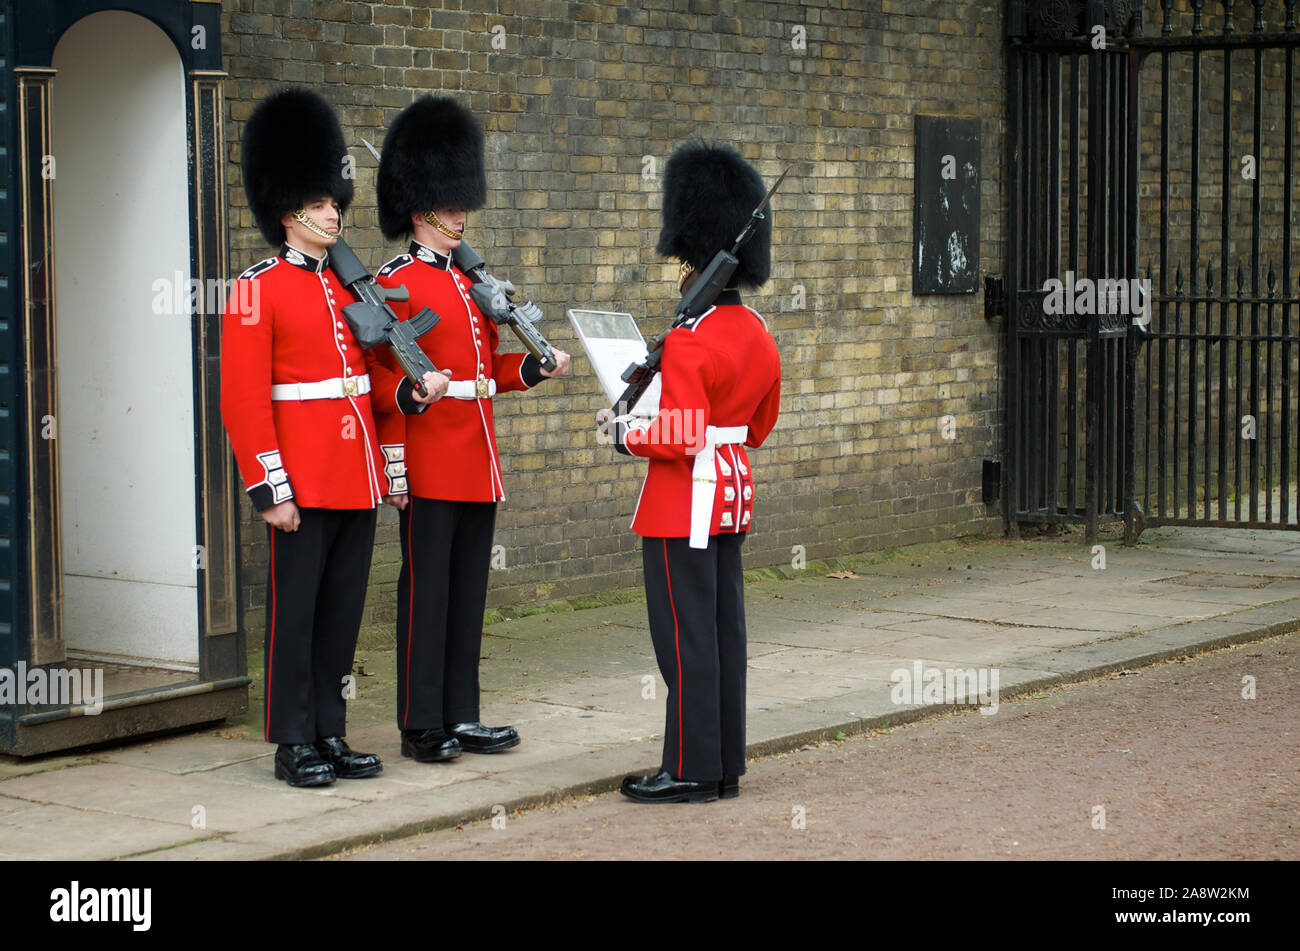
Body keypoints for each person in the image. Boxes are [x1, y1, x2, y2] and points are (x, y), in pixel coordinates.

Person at [367, 95, 570, 763]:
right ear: (419, 210)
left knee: (465, 595)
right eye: (449, 206)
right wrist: (395, 464)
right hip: (430, 461)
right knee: (427, 596)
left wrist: (537, 368)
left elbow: (489, 372)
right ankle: (422, 723)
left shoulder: (472, 283)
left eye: (461, 205)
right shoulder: (395, 285)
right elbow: (386, 388)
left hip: (478, 461)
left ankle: (461, 712)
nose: (460, 215)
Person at [220, 88, 405, 787]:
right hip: (301, 479)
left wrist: (402, 410)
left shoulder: (347, 289)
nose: (335, 212)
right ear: (289, 210)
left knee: (340, 618)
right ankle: (290, 738)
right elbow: (242, 401)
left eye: (335, 202)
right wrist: (271, 488)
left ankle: (331, 729)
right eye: (321, 203)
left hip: (353, 478)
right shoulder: (255, 289)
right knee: (294, 617)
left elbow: (367, 387)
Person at [601, 142, 782, 803]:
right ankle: (723, 763)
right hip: (731, 493)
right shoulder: (757, 332)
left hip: (684, 501)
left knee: (682, 641)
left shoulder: (689, 339)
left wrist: (624, 436)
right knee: (723, 633)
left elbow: (678, 434)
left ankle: (688, 768)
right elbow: (757, 428)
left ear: (694, 261)